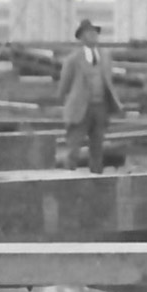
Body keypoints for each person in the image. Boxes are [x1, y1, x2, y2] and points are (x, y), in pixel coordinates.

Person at [57, 19, 120, 175]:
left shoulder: (105, 56)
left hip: (100, 108)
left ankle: (96, 181)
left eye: (95, 32)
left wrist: (112, 103)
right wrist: (66, 104)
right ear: (81, 37)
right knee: (73, 149)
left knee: (98, 148)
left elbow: (108, 81)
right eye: (89, 32)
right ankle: (66, 180)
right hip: (79, 110)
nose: (93, 35)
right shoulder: (73, 59)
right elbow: (64, 86)